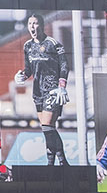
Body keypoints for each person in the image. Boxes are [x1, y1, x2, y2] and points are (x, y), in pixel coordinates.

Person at [14, 12, 69, 165]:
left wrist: (61, 86)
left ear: (42, 25)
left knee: (46, 126)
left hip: (53, 90)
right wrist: (22, 76)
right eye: (30, 24)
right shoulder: (28, 46)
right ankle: (59, 162)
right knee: (49, 129)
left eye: (35, 23)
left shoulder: (53, 44)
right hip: (37, 92)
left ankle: (54, 162)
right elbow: (29, 69)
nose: (32, 26)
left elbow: (64, 66)